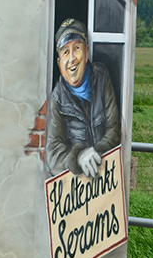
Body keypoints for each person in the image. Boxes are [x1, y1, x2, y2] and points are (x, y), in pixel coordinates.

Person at [46, 19, 121, 177]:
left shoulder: (101, 77)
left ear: (86, 52)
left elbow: (114, 130)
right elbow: (53, 155)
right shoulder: (57, 98)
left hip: (105, 178)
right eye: (65, 52)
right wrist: (78, 157)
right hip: (76, 190)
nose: (72, 58)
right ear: (59, 63)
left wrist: (93, 153)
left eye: (77, 48)